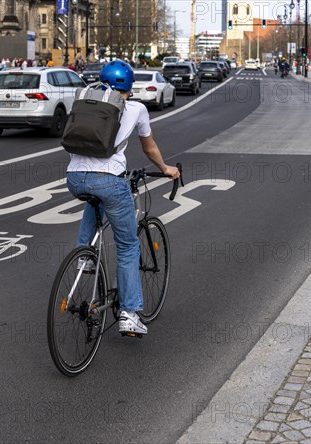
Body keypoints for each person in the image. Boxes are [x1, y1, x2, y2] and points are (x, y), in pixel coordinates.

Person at [65, 60, 180, 336]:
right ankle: (130, 313)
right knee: (128, 245)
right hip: (109, 180)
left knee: (95, 198)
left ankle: (85, 256)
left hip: (74, 178)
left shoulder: (83, 100)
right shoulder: (136, 108)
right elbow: (149, 147)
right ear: (129, 86)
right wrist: (166, 169)